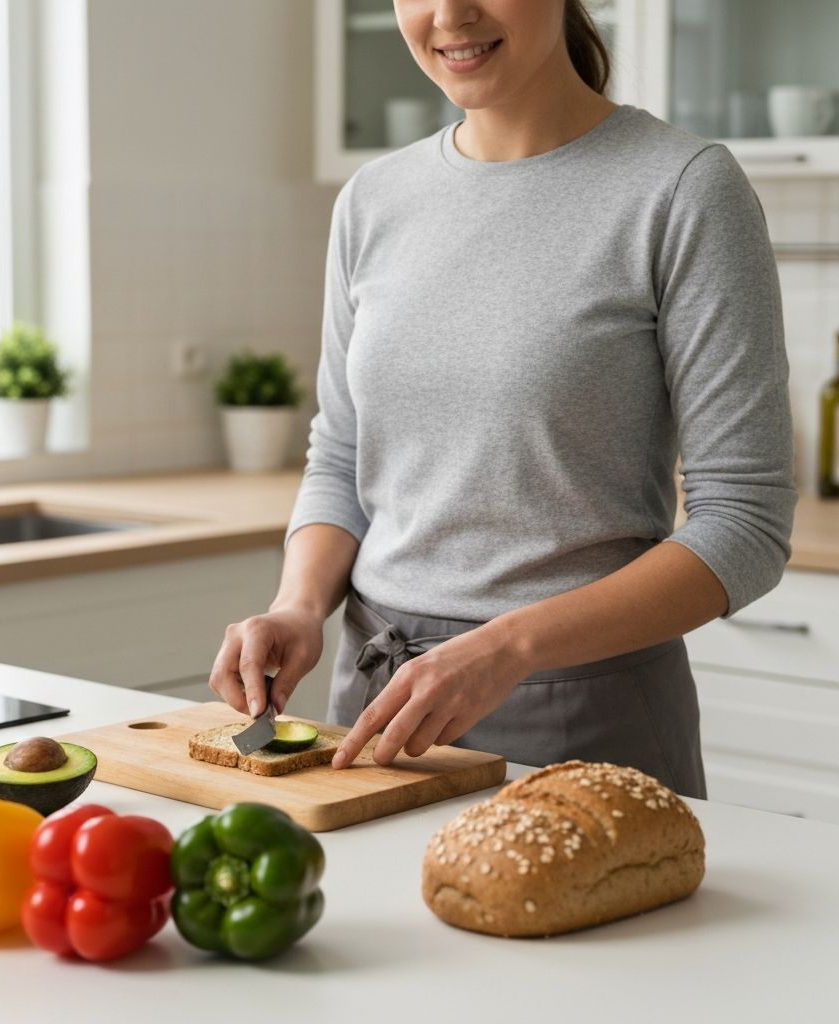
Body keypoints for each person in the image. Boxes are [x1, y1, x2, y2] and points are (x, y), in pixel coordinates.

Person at [208, 0, 796, 798]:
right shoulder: (374, 199)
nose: (450, 14)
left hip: (584, 717)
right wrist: (300, 605)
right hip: (375, 708)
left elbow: (746, 524)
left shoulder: (683, 188)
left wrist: (508, 648)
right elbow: (344, 457)